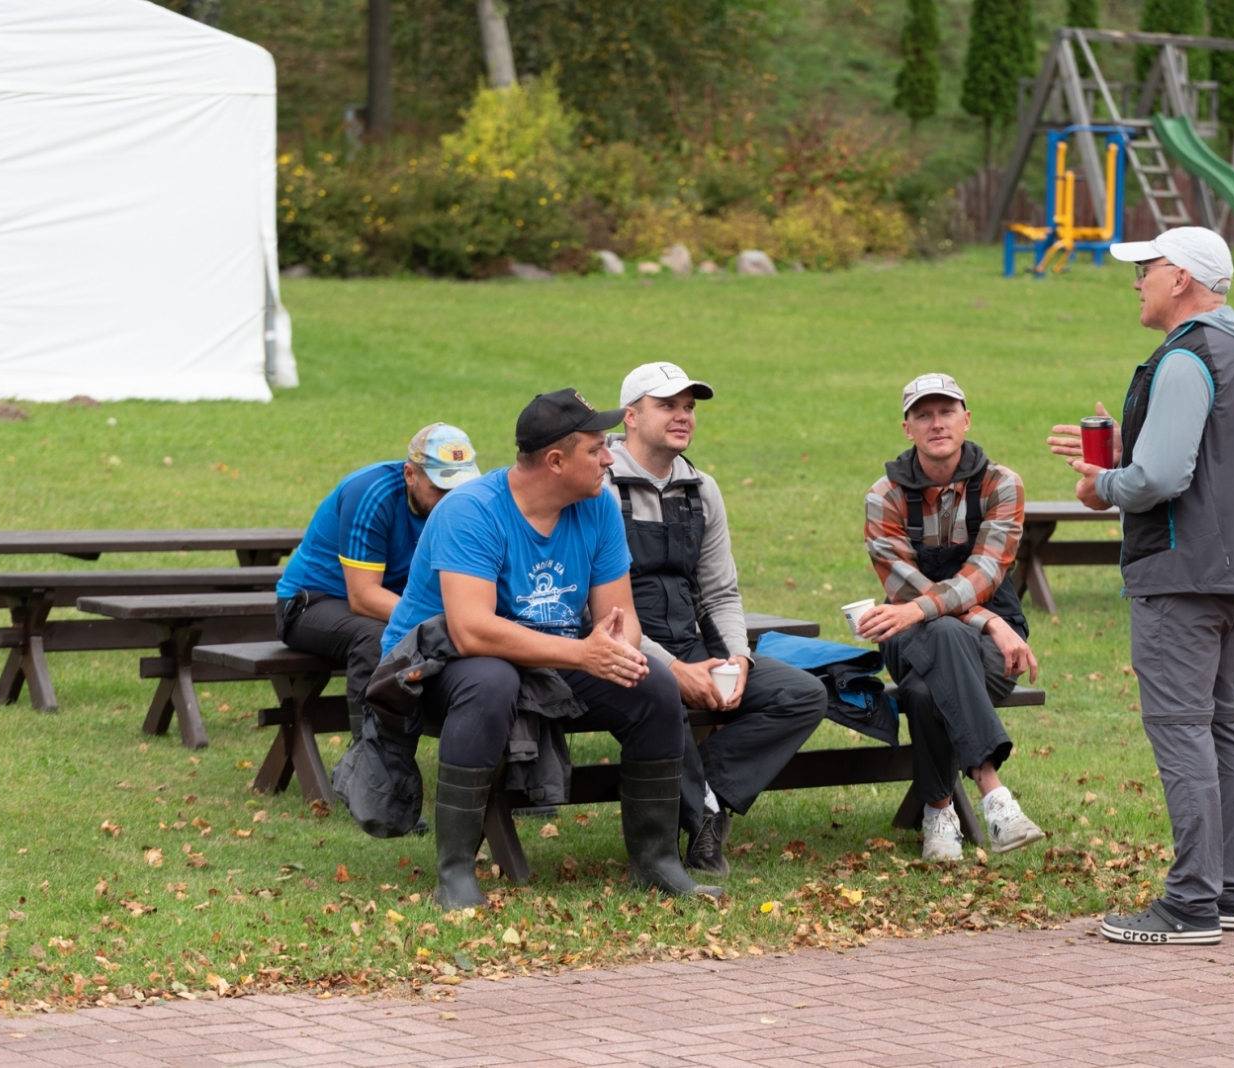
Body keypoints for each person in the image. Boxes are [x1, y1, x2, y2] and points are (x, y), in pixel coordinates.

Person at [379, 389, 720, 909]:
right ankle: (454, 874)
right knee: (491, 679)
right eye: (595, 450)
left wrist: (615, 651)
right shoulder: (471, 512)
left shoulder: (599, 504)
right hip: (433, 665)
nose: (610, 458)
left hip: (552, 655)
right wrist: (585, 654)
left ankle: (656, 863)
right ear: (556, 461)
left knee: (650, 681)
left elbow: (618, 621)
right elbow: (471, 631)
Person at [1048, 227, 1234, 946]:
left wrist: (1105, 484)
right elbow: (1204, 457)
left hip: (1184, 575)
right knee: (1222, 726)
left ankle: (1189, 904)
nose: (1137, 280)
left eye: (1147, 268)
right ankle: (1231, 892)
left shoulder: (1186, 357)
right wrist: (1129, 455)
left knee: (1183, 732)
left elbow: (1158, 481)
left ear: (1181, 278)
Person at [609, 362, 828, 878]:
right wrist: (672, 670)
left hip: (694, 647)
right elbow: (603, 612)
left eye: (688, 407)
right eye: (668, 406)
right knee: (664, 697)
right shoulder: (599, 487)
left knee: (803, 694)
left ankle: (707, 795)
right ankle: (702, 821)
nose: (683, 416)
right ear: (631, 417)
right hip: (624, 654)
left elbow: (721, 592)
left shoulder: (702, 489)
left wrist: (736, 658)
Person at [859, 373, 1046, 862]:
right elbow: (906, 589)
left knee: (924, 690)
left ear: (966, 419)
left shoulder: (1002, 484)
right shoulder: (885, 496)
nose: (936, 423)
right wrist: (991, 623)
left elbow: (985, 573)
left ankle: (938, 811)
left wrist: (980, 620)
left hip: (979, 648)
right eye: (923, 414)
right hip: (911, 634)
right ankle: (992, 791)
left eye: (946, 412)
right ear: (907, 429)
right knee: (938, 630)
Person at [276, 423, 480, 737]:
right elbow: (363, 597)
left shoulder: (468, 504)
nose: (450, 499)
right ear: (411, 474)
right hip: (311, 602)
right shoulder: (370, 492)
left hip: (395, 602)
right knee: (378, 637)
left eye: (459, 488)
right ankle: (370, 757)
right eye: (440, 488)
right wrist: (452, 624)